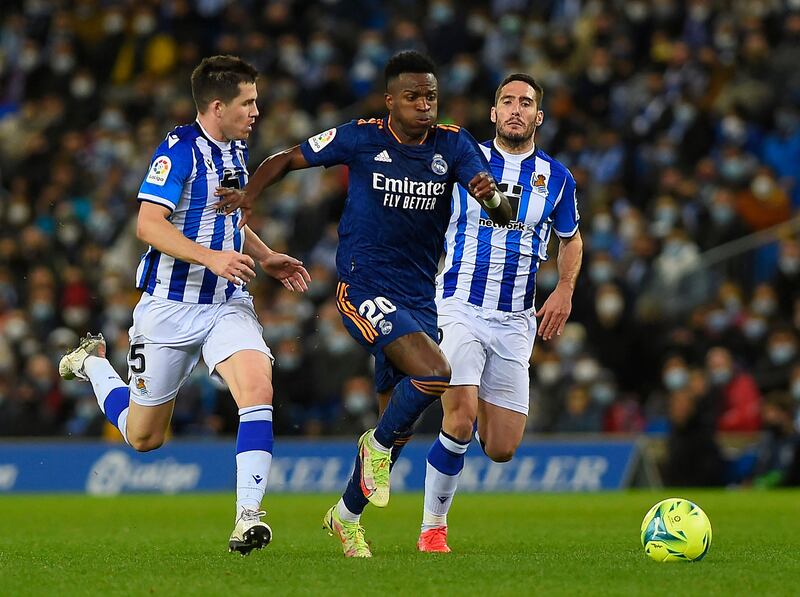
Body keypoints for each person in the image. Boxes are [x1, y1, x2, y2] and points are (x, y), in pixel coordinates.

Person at [215, 50, 511, 557]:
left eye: (431, 96)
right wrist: (250, 196)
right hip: (363, 286)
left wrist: (492, 198)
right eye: (414, 96)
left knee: (396, 430)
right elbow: (287, 158)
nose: (425, 105)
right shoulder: (361, 136)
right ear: (390, 100)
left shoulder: (454, 144)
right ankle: (371, 446)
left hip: (420, 297)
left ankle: (346, 516)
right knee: (434, 373)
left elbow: (503, 214)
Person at [58, 55, 311, 556]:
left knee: (257, 384)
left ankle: (248, 517)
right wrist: (210, 258)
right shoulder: (178, 152)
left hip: (224, 302)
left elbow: (225, 219)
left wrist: (265, 255)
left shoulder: (236, 150)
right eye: (248, 102)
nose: (257, 110)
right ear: (218, 106)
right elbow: (148, 225)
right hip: (169, 309)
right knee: (143, 437)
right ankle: (91, 363)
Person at [417, 73, 583, 552]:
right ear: (493, 113)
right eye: (507, 101)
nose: (515, 108)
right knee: (460, 415)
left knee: (502, 447)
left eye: (526, 102)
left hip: (515, 321)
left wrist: (565, 288)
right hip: (458, 308)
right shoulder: (462, 161)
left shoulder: (557, 179)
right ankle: (433, 528)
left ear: (538, 117)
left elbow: (570, 239)